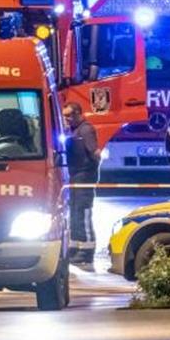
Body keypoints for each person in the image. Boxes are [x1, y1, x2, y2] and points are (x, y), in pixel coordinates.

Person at [63, 102, 100, 268]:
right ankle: (75, 247)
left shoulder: (86, 130)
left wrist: (89, 171)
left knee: (83, 212)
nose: (66, 119)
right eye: (65, 116)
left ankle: (86, 251)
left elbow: (94, 154)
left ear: (78, 113)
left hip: (84, 176)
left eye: (69, 115)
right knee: (74, 211)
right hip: (74, 176)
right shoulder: (73, 130)